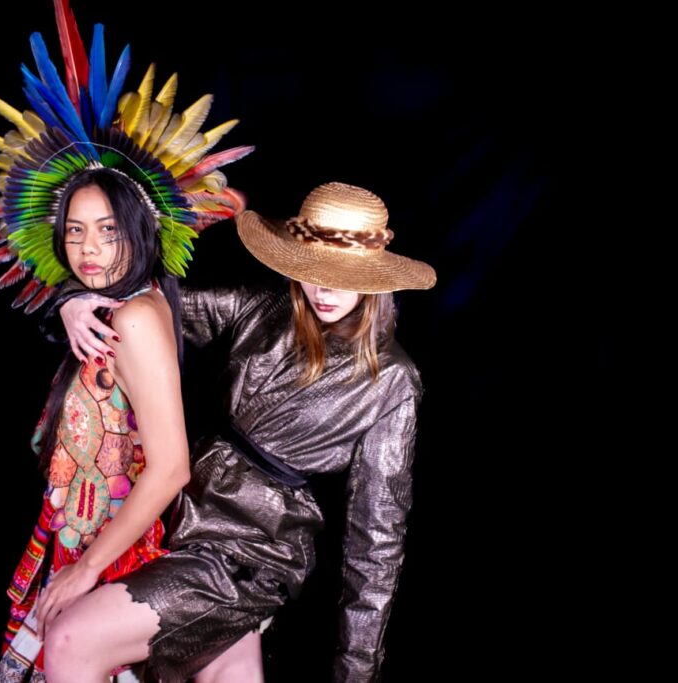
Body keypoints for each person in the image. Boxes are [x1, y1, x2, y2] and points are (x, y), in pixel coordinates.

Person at [0, 2, 252, 680]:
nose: (89, 248)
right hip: (81, 536)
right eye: (76, 231)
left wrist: (86, 570)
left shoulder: (138, 316)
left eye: (109, 231)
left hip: (115, 552)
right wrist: (68, 302)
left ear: (140, 231)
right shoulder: (118, 304)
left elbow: (170, 467)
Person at [55, 181, 436, 681]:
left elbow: (377, 539)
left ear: (375, 278)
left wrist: (356, 672)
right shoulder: (265, 308)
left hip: (252, 550)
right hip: (181, 516)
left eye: (345, 276)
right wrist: (74, 300)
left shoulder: (392, 379)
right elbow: (149, 307)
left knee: (72, 640)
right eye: (313, 270)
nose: (324, 290)